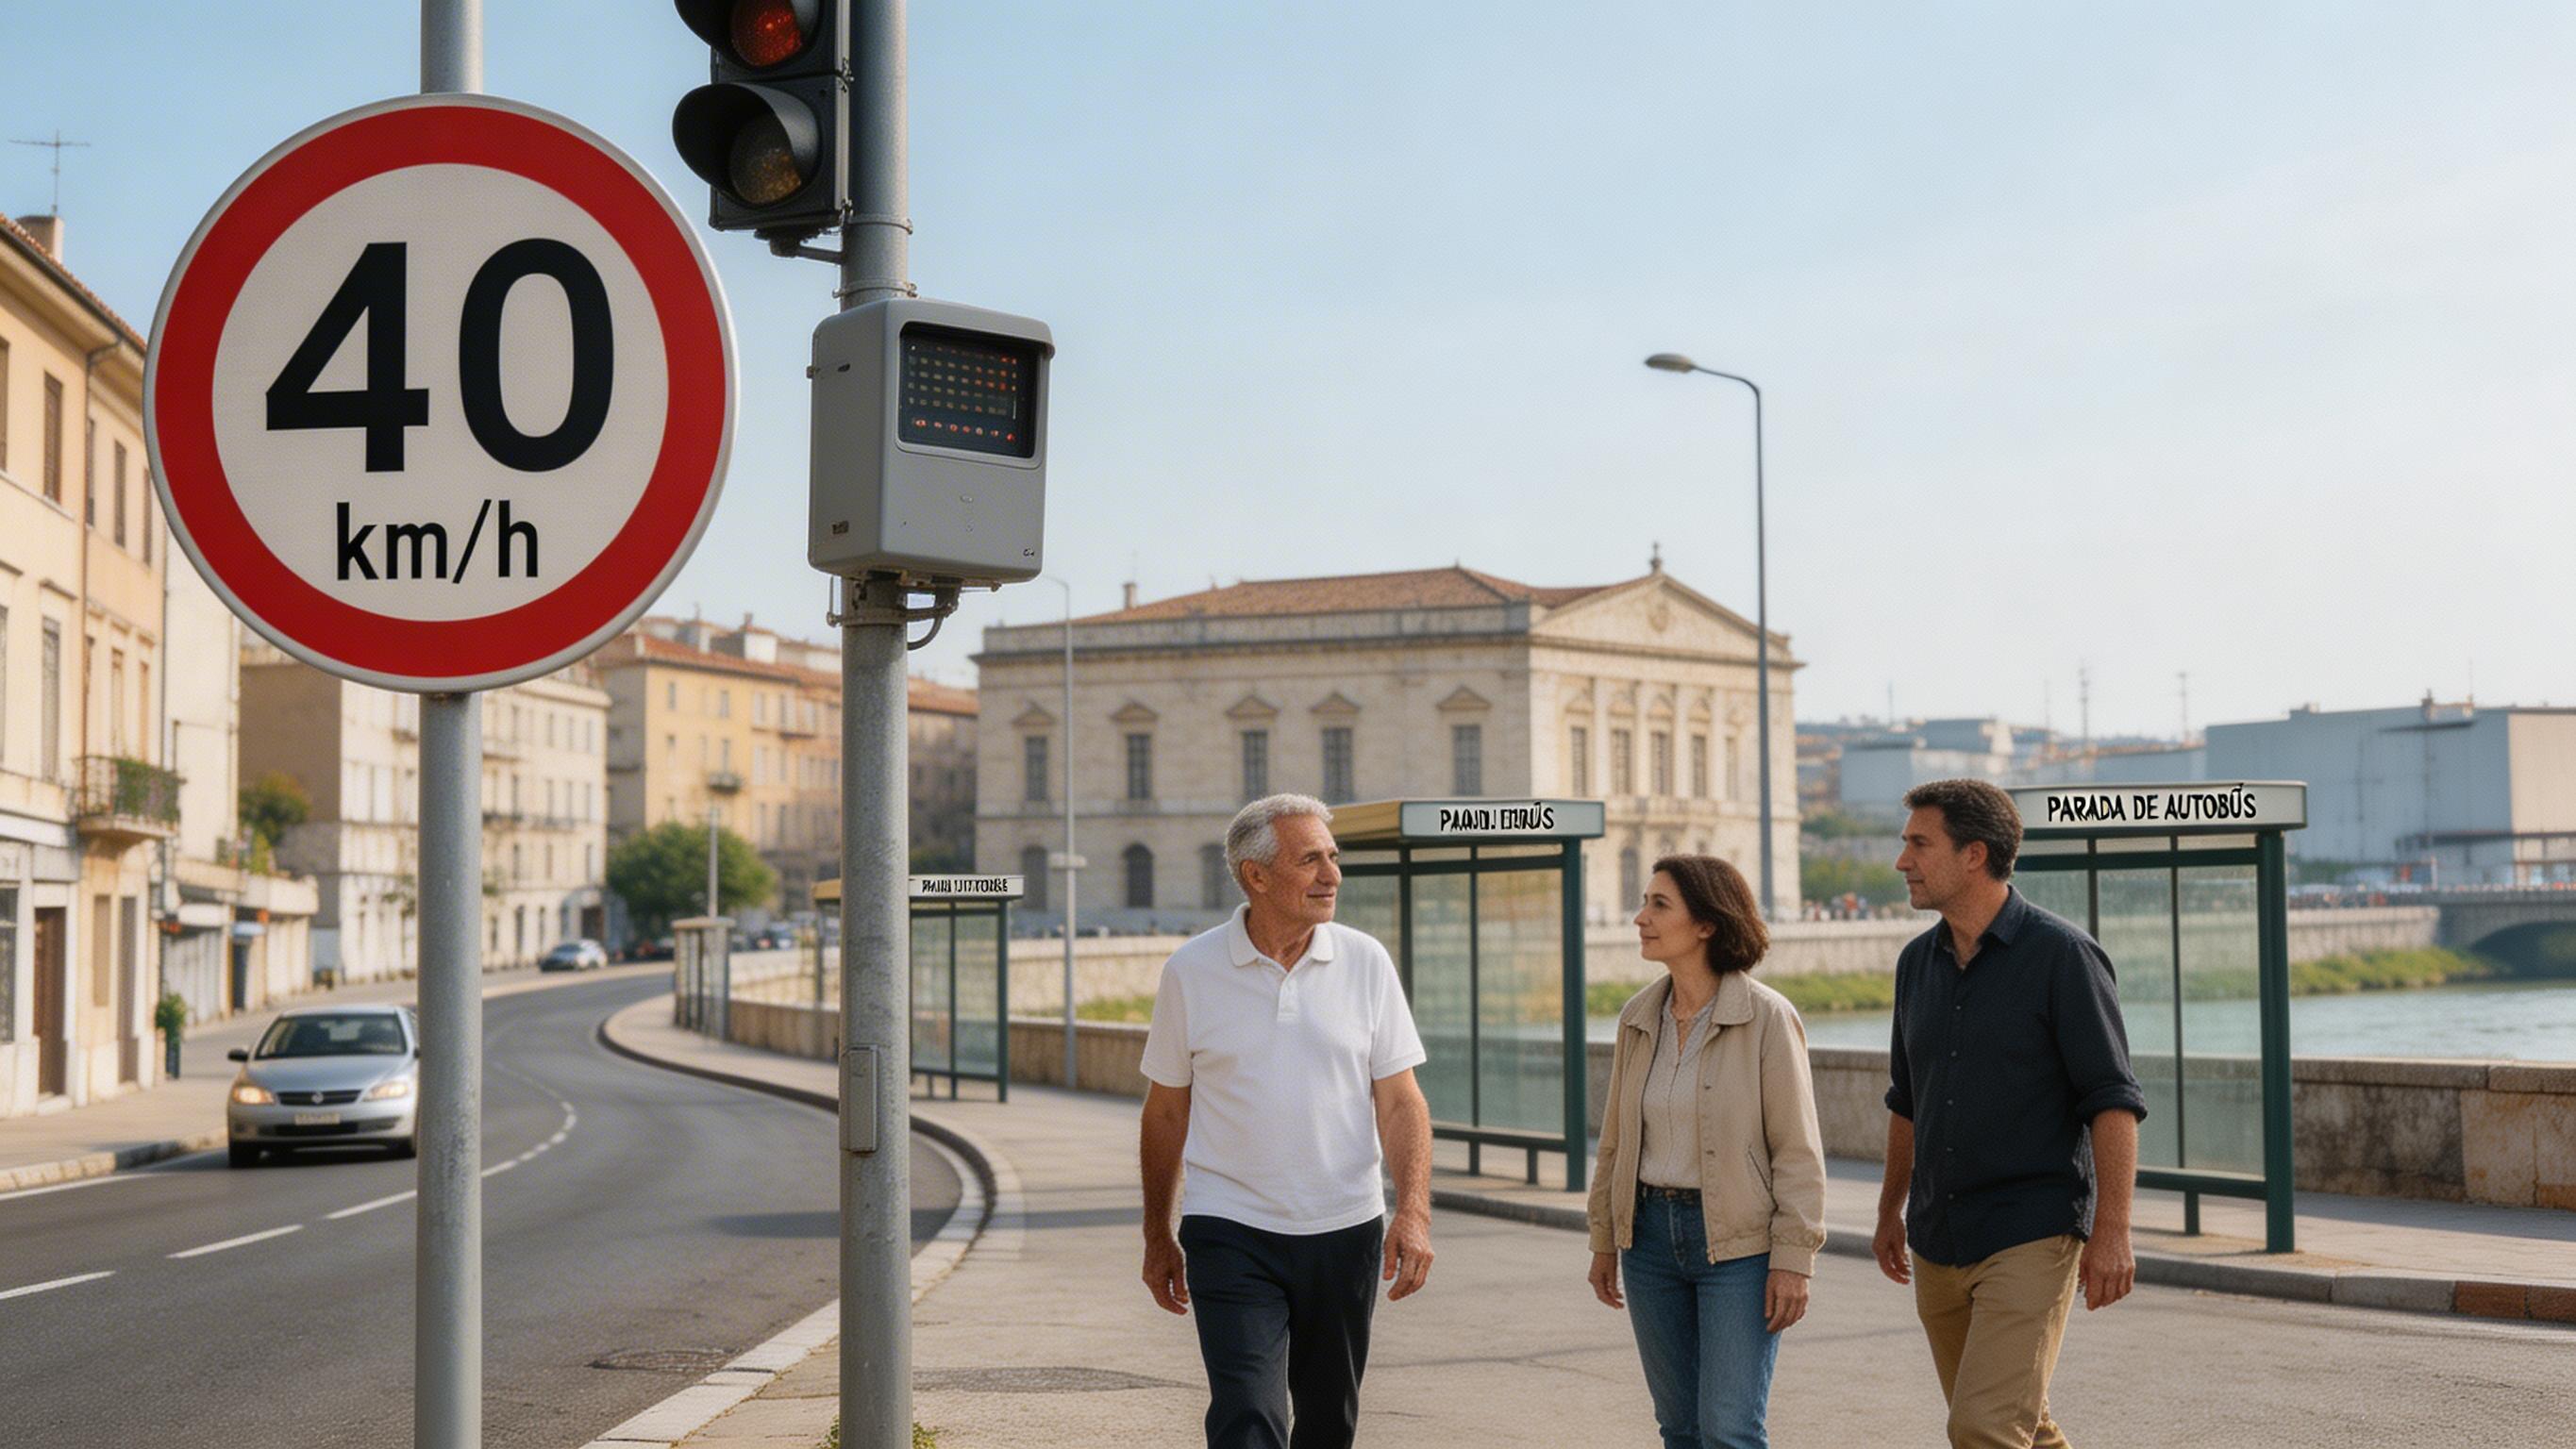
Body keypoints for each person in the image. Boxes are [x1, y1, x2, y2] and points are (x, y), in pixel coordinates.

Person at [1138, 793, 1435, 1449]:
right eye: (1311, 860)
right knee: (1249, 1416)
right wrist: (1158, 1233)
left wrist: (1412, 1211)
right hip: (1229, 1230)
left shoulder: (1365, 962)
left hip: (1345, 1228)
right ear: (1256, 875)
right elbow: (1165, 1111)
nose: (1331, 874)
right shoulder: (1191, 971)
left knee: (1330, 1422)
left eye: (1333, 857)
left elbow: (1400, 1100)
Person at [1872, 779, 2148, 1449]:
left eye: (1918, 843)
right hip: (1938, 1237)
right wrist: (1889, 1210)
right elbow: (1907, 1099)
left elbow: (2113, 1102)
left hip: (2032, 1230)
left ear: (1974, 855)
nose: (1902, 860)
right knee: (2020, 1423)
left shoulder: (2063, 957)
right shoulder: (1916, 964)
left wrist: (2112, 1230)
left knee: (1983, 1426)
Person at [1585, 854, 1827, 1449]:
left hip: (1739, 1247)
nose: (1640, 917)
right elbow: (1616, 1140)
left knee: (1728, 1429)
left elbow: (1797, 1150)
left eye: (1658, 905)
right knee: (1681, 1427)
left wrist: (1794, 1258)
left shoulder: (1768, 1018)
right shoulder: (1638, 1017)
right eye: (1643, 903)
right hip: (1648, 1242)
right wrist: (1603, 1238)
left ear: (1707, 925)